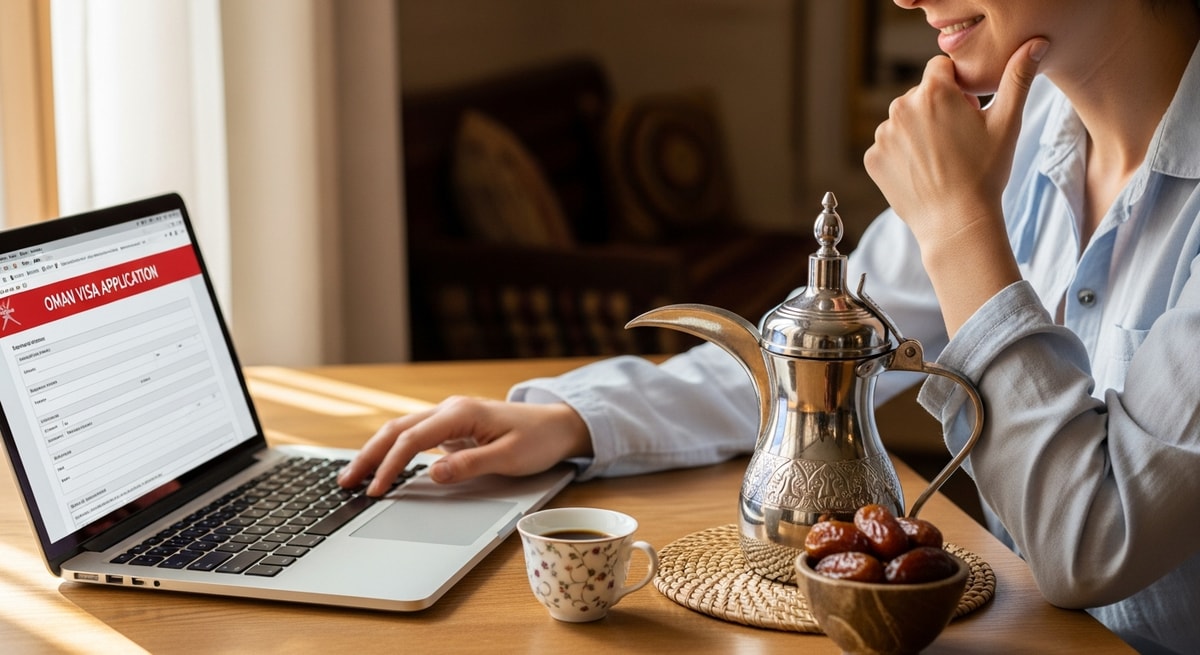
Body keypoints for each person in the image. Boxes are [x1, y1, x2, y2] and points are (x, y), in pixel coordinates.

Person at [339, 1, 1200, 651]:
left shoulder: (975, 179)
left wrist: (960, 230)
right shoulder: (1029, 136)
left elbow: (1090, 541)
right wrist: (576, 418)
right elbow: (815, 351)